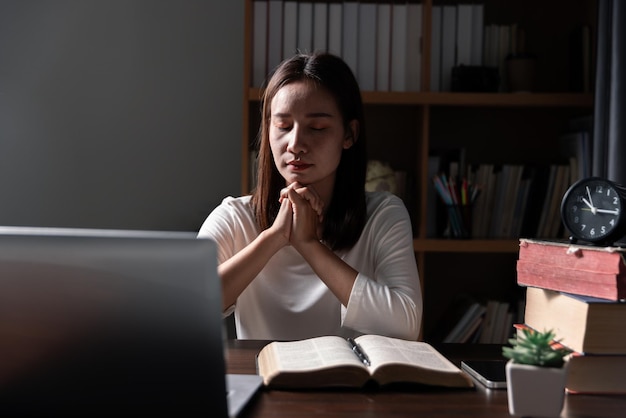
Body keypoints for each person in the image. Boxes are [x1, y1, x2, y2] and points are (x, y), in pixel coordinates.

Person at [198, 52, 422, 341]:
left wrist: (309, 245)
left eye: (316, 128)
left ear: (349, 134)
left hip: (350, 384)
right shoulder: (234, 218)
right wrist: (274, 238)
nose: (295, 144)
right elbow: (186, 309)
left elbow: (407, 325)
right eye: (282, 126)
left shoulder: (384, 215)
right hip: (262, 383)